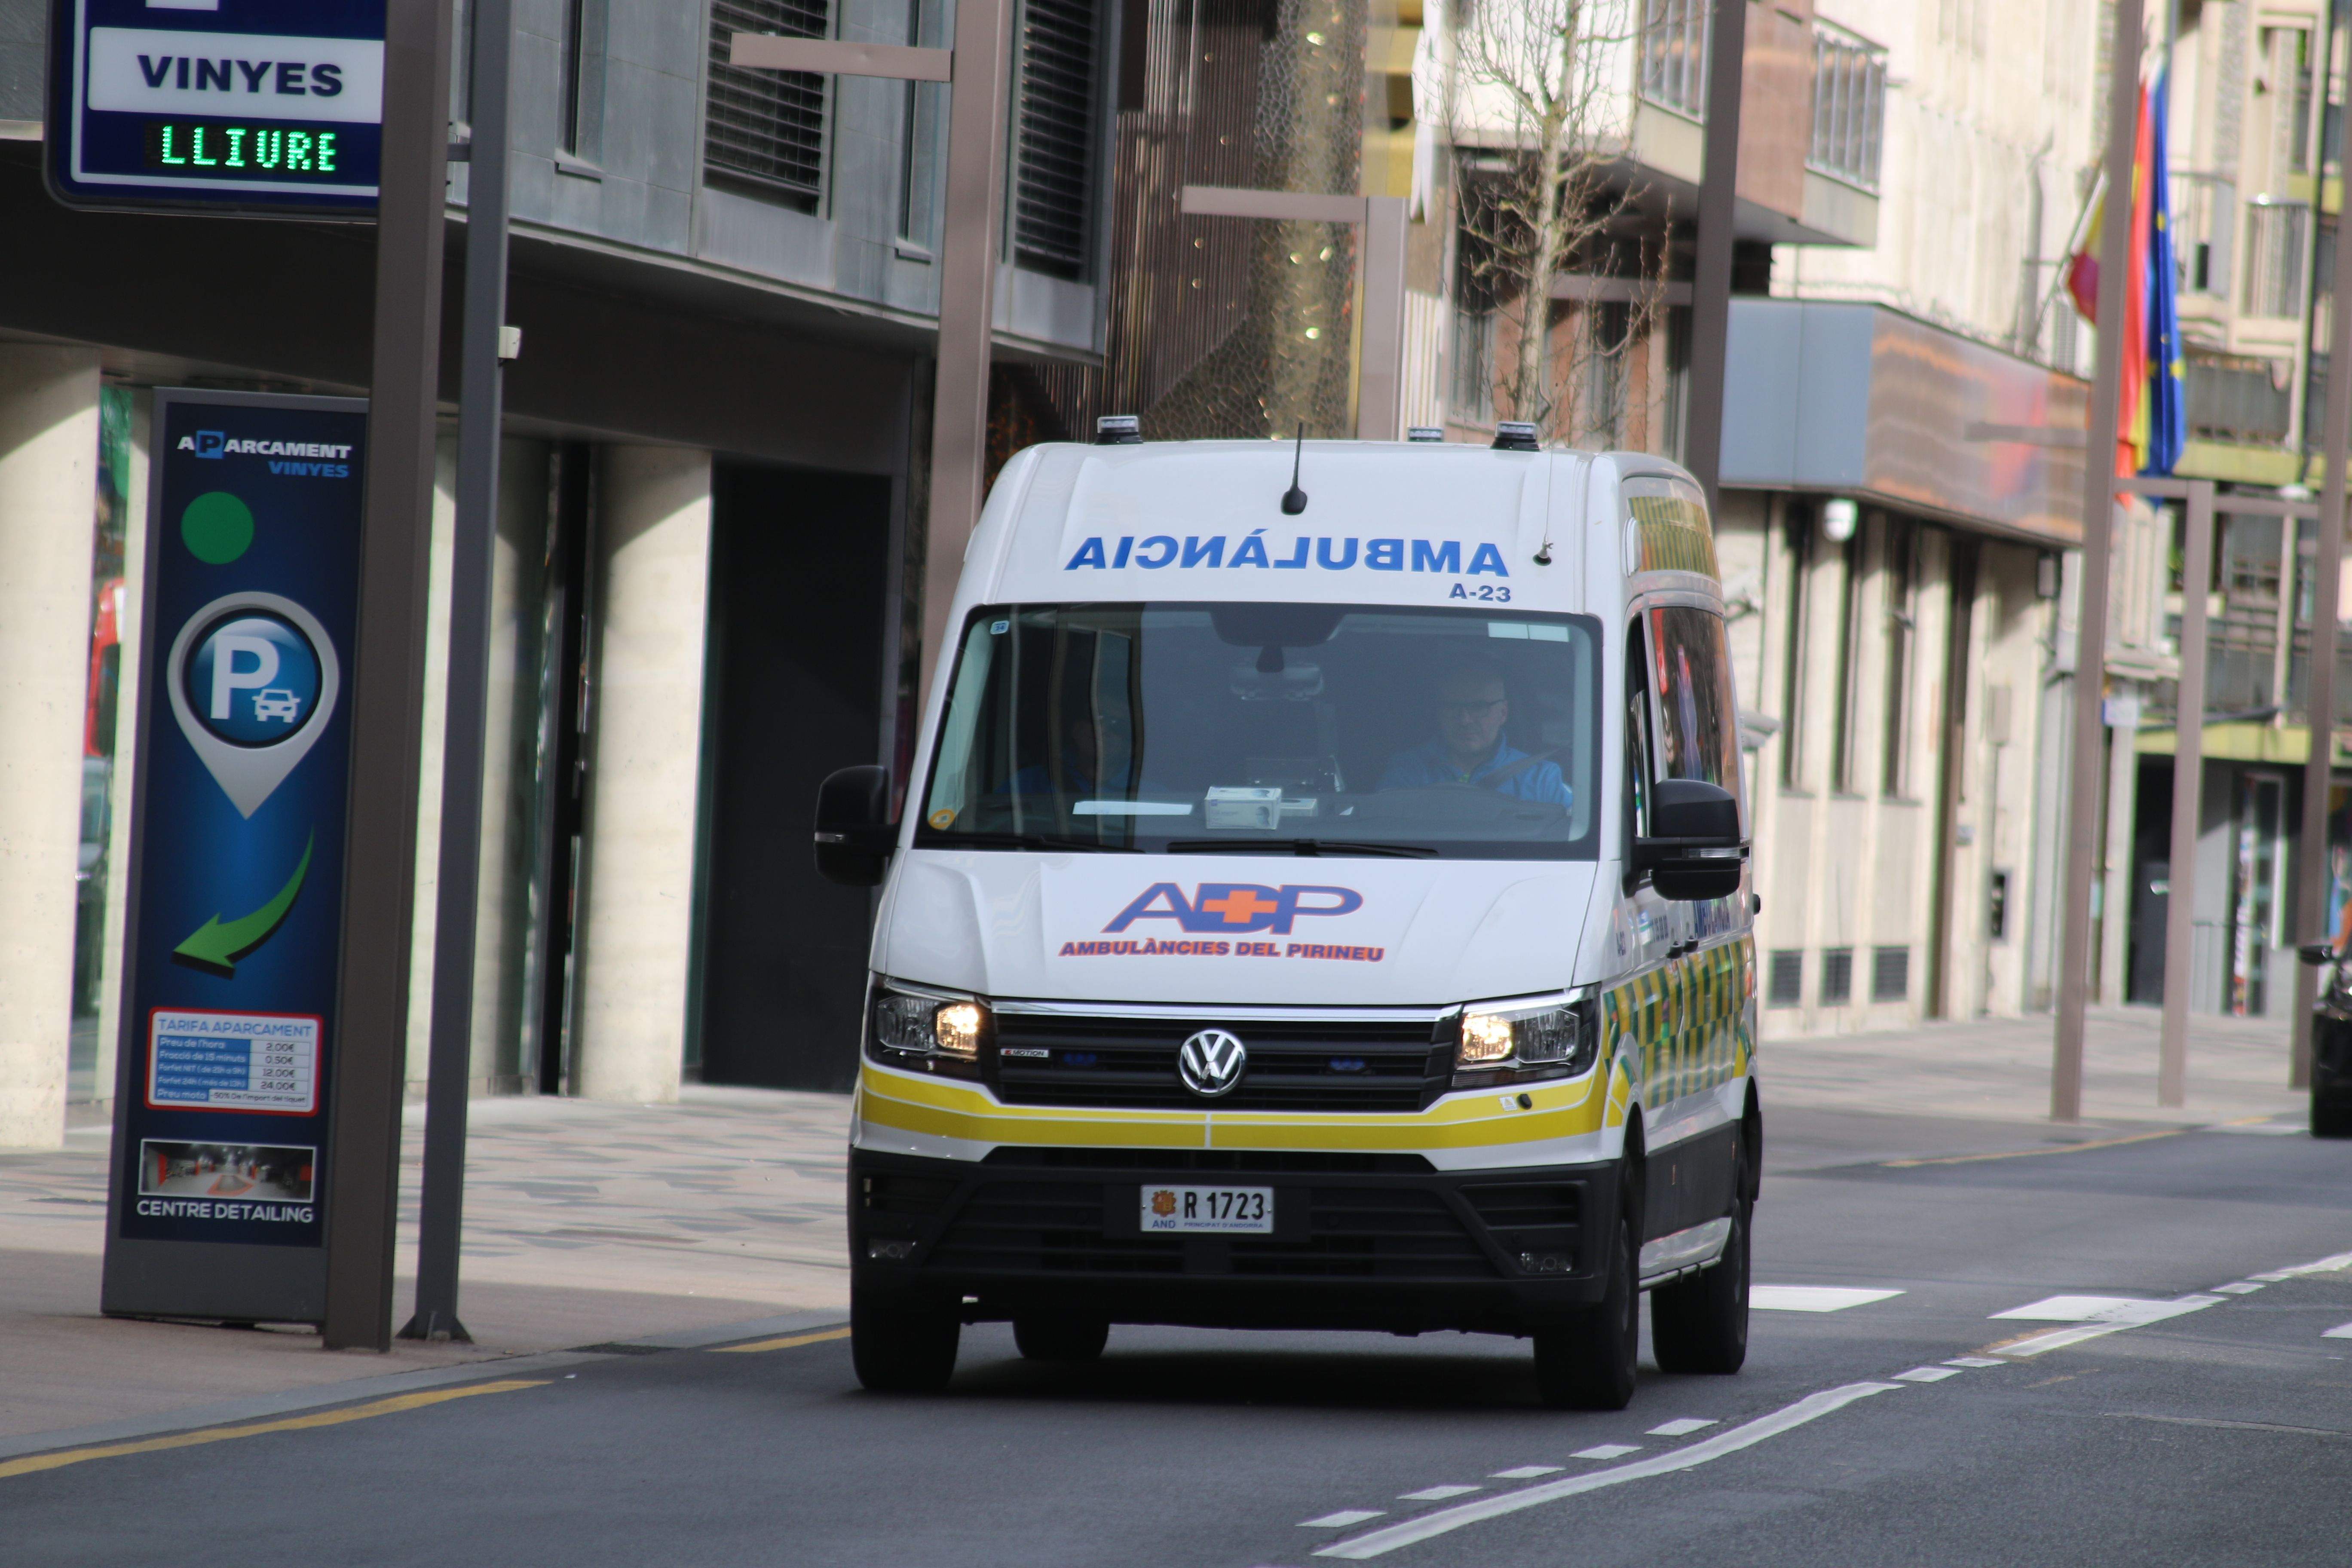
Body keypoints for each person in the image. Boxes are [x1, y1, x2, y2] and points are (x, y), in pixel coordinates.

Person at [1378, 659, 1573, 808]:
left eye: (1479, 707)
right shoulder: (1407, 771)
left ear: (1503, 713)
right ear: (1439, 712)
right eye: (1453, 707)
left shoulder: (1542, 778)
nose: (1465, 720)